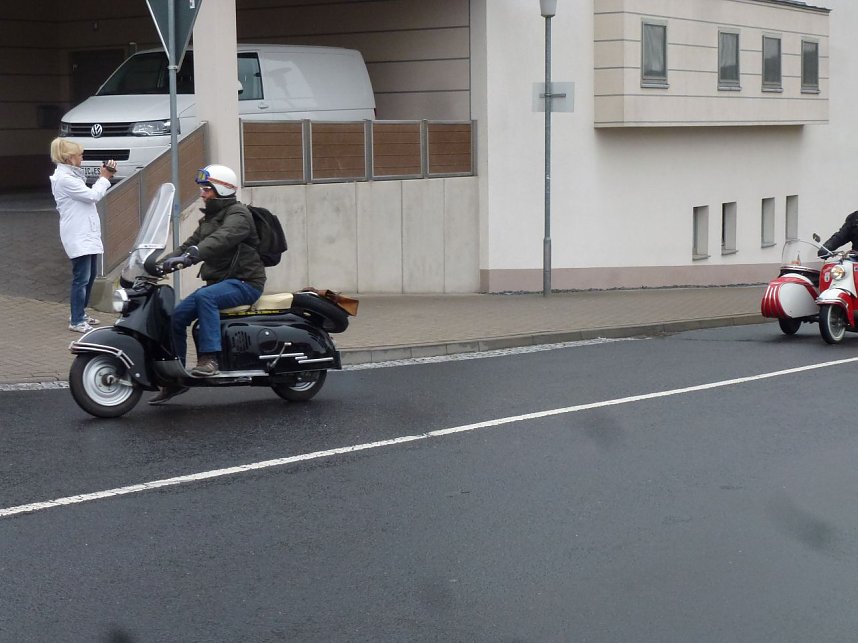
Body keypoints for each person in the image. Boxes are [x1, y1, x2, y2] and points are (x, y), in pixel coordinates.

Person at [149, 164, 266, 405]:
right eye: (202, 189)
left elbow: (221, 239)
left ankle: (210, 359)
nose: (202, 194)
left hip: (245, 282)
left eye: (207, 189)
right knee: (177, 316)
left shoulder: (239, 215)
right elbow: (188, 245)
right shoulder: (209, 218)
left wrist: (193, 255)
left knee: (206, 297)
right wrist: (160, 265)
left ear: (222, 189)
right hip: (221, 283)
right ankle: (175, 377)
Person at [49, 138, 116, 333]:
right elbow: (92, 196)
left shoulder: (71, 176)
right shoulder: (65, 179)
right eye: (79, 155)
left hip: (85, 232)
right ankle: (76, 320)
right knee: (81, 278)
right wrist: (104, 177)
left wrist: (105, 176)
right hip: (78, 234)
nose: (82, 158)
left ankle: (80, 313)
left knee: (90, 275)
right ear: (69, 158)